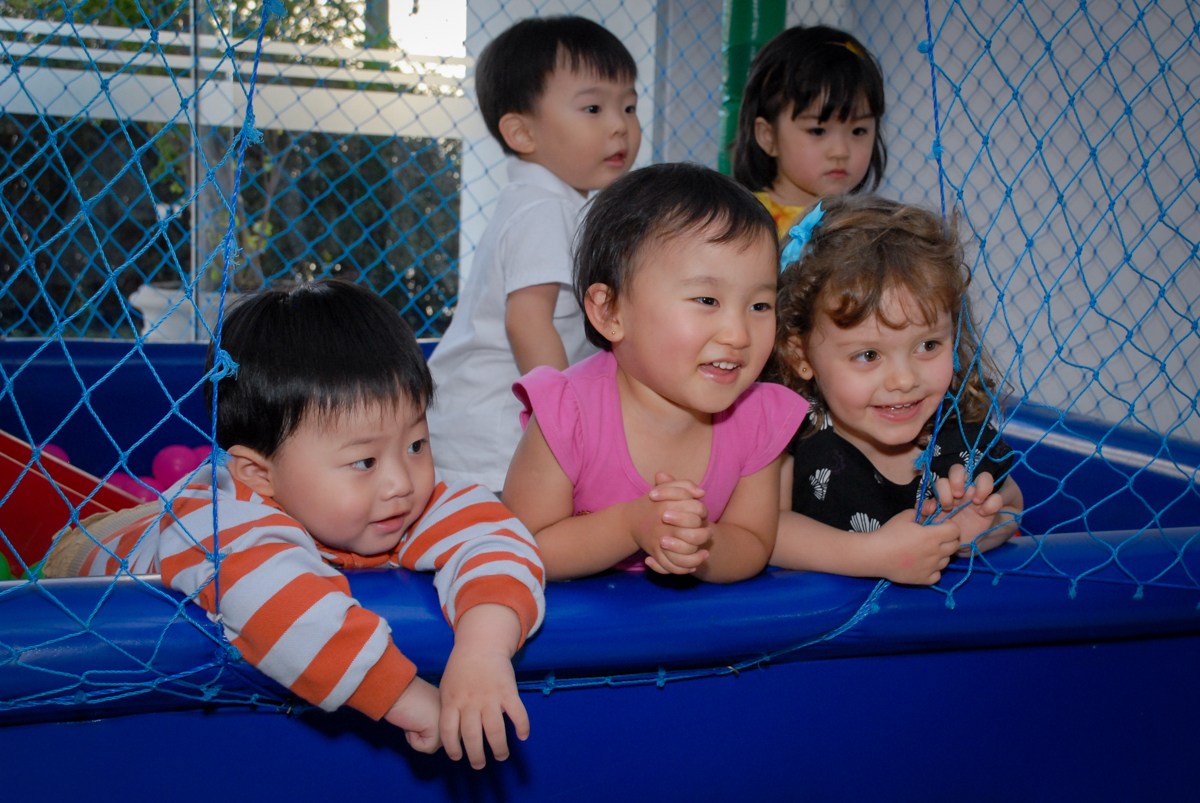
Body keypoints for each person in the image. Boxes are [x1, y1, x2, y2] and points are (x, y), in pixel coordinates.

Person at [42, 280, 545, 770]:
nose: (400, 481)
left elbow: (499, 538)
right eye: (364, 461)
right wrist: (411, 699)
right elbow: (283, 610)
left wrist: (482, 652)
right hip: (87, 547)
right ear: (260, 474)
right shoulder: (221, 526)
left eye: (416, 444)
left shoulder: (401, 500)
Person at [503, 163, 810, 583]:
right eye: (706, 299)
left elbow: (753, 542)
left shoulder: (758, 417)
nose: (739, 334)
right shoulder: (567, 414)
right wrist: (630, 526)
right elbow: (524, 548)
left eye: (759, 305)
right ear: (610, 312)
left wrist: (698, 547)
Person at [428, 16, 641, 492]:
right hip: (491, 439)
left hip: (474, 434)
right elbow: (527, 321)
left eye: (629, 106)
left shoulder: (546, 203)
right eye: (592, 108)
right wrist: (572, 419)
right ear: (522, 133)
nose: (620, 126)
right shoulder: (546, 209)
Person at [767, 195, 1024, 585]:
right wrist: (874, 556)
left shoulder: (957, 437)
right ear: (800, 354)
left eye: (927, 346)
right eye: (869, 354)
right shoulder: (791, 439)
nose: (904, 380)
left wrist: (980, 528)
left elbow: (1011, 501)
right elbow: (766, 531)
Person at [731, 25, 887, 239]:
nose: (840, 151)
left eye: (858, 130)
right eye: (817, 131)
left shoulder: (875, 230)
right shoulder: (740, 223)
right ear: (768, 137)